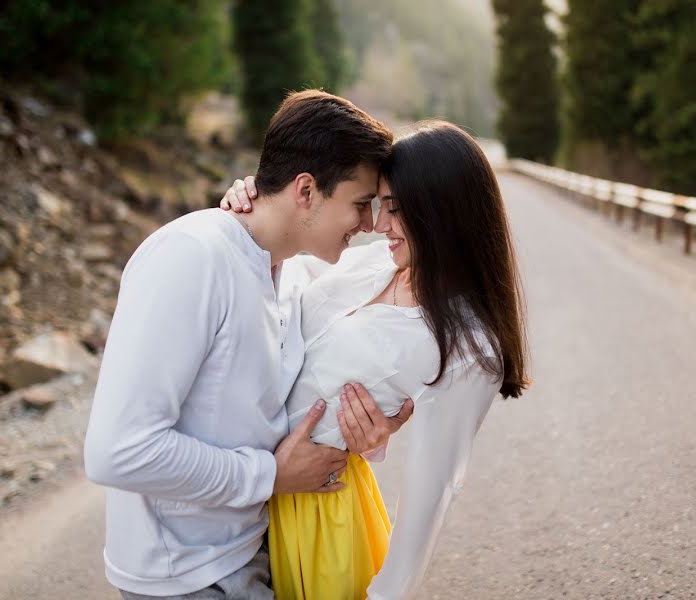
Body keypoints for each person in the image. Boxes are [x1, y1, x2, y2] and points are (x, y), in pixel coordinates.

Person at [83, 90, 412, 600]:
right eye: (361, 204)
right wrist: (269, 475)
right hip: (186, 576)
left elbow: (275, 406)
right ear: (306, 190)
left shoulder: (295, 273)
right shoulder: (191, 258)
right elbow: (117, 451)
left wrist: (367, 428)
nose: (369, 224)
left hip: (262, 550)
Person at [221, 121, 530, 599]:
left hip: (319, 517)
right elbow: (282, 275)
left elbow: (433, 495)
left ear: (443, 214)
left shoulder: (470, 350)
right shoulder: (378, 261)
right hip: (251, 492)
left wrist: (386, 595)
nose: (379, 224)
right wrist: (259, 205)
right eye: (380, 205)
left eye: (397, 209)